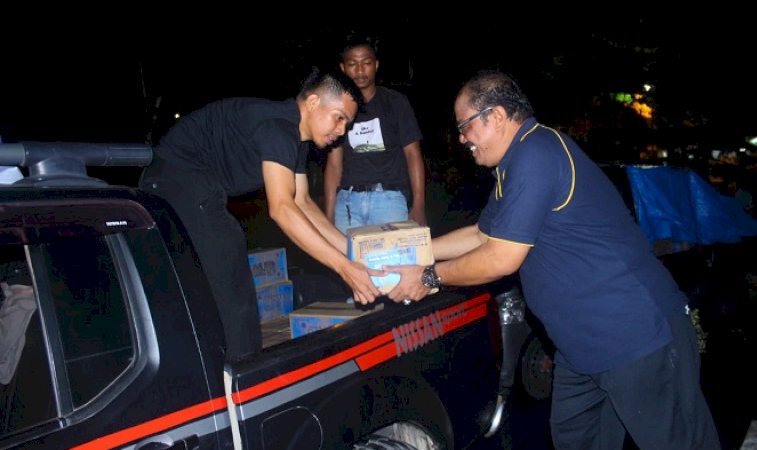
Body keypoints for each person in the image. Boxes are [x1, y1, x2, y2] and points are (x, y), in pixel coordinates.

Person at [385, 71, 721, 449]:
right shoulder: (511, 165)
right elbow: (483, 234)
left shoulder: (537, 152)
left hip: (636, 335)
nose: (462, 138)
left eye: (465, 126)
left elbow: (501, 257)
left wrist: (429, 278)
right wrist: (417, 250)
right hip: (581, 350)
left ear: (494, 116)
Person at [139, 70, 383, 362]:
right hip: (173, 179)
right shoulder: (279, 127)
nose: (342, 131)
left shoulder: (296, 139)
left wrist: (354, 254)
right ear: (313, 102)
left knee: (216, 262)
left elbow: (302, 202)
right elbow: (281, 209)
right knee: (228, 253)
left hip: (190, 186)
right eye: (339, 117)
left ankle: (213, 356)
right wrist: (344, 268)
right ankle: (243, 369)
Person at [323, 35, 426, 233]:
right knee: (348, 263)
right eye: (352, 64)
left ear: (376, 65)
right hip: (347, 203)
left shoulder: (396, 103)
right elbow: (334, 165)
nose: (360, 70)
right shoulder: (337, 109)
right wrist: (329, 216)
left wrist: (419, 205)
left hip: (389, 199)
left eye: (366, 63)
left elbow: (413, 155)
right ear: (343, 68)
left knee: (392, 263)